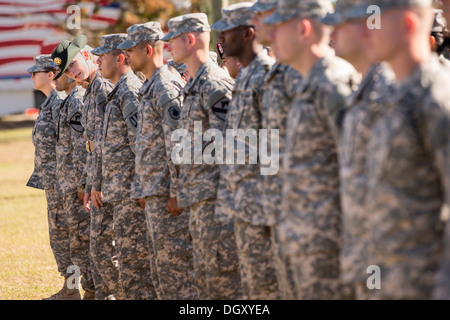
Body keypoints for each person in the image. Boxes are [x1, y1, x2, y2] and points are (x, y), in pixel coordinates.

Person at [264, 0, 360, 299]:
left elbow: (357, 167)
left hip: (331, 248)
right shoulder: (309, 84)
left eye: (278, 27)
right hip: (307, 241)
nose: (271, 35)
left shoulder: (332, 83)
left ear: (304, 28)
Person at [360, 0, 450, 299]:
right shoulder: (391, 93)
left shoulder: (437, 98)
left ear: (407, 25)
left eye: (374, 21)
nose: (365, 30)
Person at [162, 12, 243, 300]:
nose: (168, 46)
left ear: (190, 39)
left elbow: (235, 148)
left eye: (172, 39)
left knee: (226, 287)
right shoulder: (194, 84)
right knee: (208, 285)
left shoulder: (214, 84)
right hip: (199, 200)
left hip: (217, 204)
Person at [321, 0, 396, 300]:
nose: (331, 33)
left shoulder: (391, 92)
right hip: (362, 256)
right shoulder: (364, 90)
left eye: (341, 24)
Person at [119, 21, 198, 300]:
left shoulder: (165, 86)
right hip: (155, 193)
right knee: (162, 273)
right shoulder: (149, 86)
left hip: (168, 197)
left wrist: (177, 192)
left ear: (149, 49)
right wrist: (142, 187)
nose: (126, 56)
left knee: (177, 275)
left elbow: (178, 144)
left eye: (131, 50)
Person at [212, 2, 280, 300]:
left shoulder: (265, 75)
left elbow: (272, 145)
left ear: (249, 34)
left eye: (228, 32)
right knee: (252, 288)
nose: (222, 39)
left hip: (260, 208)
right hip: (243, 204)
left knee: (267, 289)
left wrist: (271, 209)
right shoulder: (246, 76)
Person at [51, 35, 123, 300]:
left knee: (107, 252)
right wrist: (90, 185)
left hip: (113, 184)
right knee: (98, 252)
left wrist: (97, 185)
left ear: (89, 57)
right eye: (67, 70)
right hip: (97, 183)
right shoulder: (91, 90)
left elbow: (108, 142)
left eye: (74, 64)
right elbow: (92, 144)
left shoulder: (102, 89)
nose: (71, 72)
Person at [90, 33, 157, 300]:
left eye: (103, 56)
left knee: (135, 267)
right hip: (120, 192)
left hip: (131, 193)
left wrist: (141, 186)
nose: (97, 61)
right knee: (129, 266)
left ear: (119, 58)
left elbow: (140, 142)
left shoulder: (129, 91)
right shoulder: (117, 91)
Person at [251, 0, 303, 300]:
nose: (256, 21)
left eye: (264, 15)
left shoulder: (298, 75)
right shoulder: (277, 72)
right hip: (278, 206)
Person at [25, 55, 74, 299]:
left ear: (51, 74)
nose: (31, 76)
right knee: (60, 235)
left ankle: (81, 289)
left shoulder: (60, 102)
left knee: (69, 235)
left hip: (63, 183)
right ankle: (71, 288)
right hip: (53, 183)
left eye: (36, 72)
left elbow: (68, 144)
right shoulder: (49, 103)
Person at [52, 70, 97, 300]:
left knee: (84, 240)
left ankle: (95, 291)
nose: (55, 77)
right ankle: (81, 290)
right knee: (75, 242)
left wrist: (82, 185)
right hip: (68, 184)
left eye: (60, 72)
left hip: (77, 186)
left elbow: (82, 146)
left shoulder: (77, 99)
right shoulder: (68, 100)